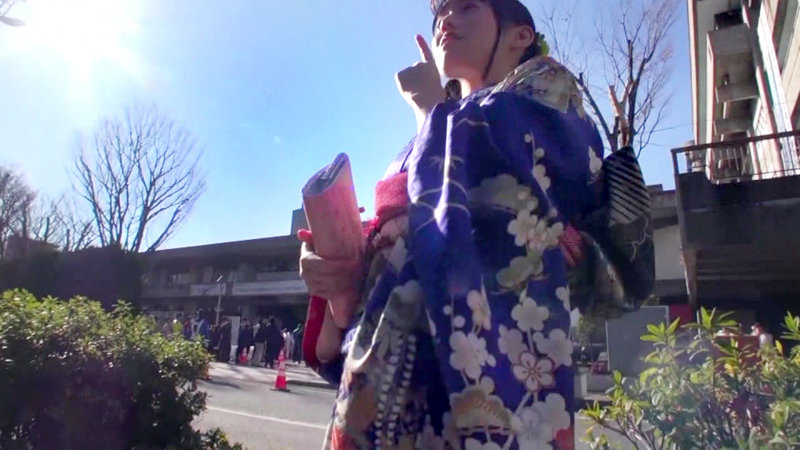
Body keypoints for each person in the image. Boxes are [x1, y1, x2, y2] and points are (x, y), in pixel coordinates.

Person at [298, 1, 654, 448]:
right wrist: (338, 273)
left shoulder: (548, 89)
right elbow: (395, 257)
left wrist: (430, 112)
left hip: (484, 382)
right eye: (439, 14)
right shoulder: (441, 127)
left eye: (466, 6)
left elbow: (498, 194)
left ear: (520, 35)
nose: (446, 20)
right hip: (381, 377)